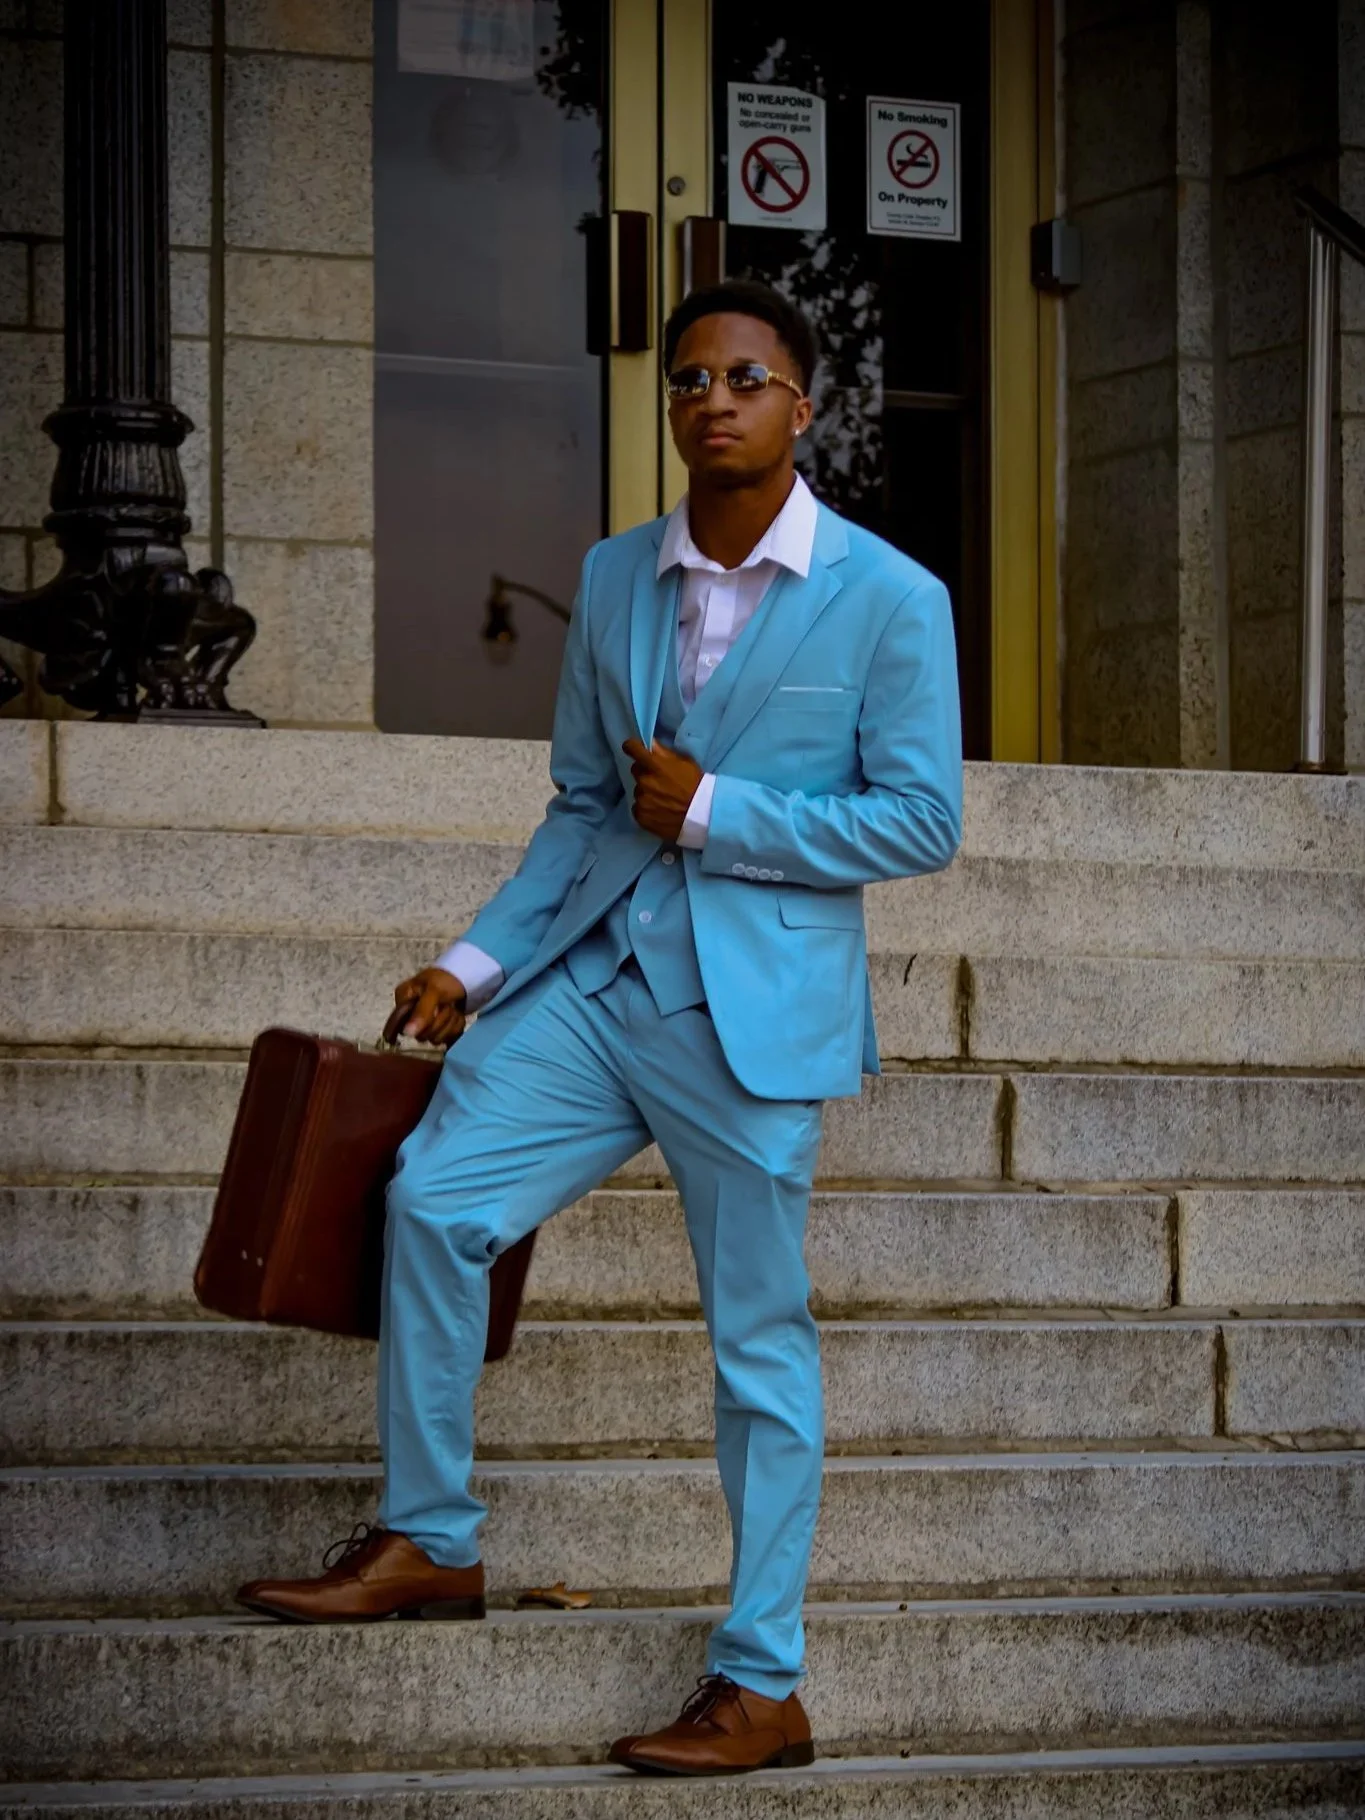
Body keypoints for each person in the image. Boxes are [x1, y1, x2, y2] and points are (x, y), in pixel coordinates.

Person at [237, 279, 963, 1776]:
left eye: (747, 378)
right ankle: (430, 1538)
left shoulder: (892, 598)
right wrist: (473, 966)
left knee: (758, 1344)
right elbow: (581, 808)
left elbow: (921, 817)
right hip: (591, 985)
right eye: (690, 379)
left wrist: (719, 813)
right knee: (435, 1202)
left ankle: (761, 1682)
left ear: (802, 405)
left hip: (746, 1021)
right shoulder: (618, 576)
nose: (714, 401)